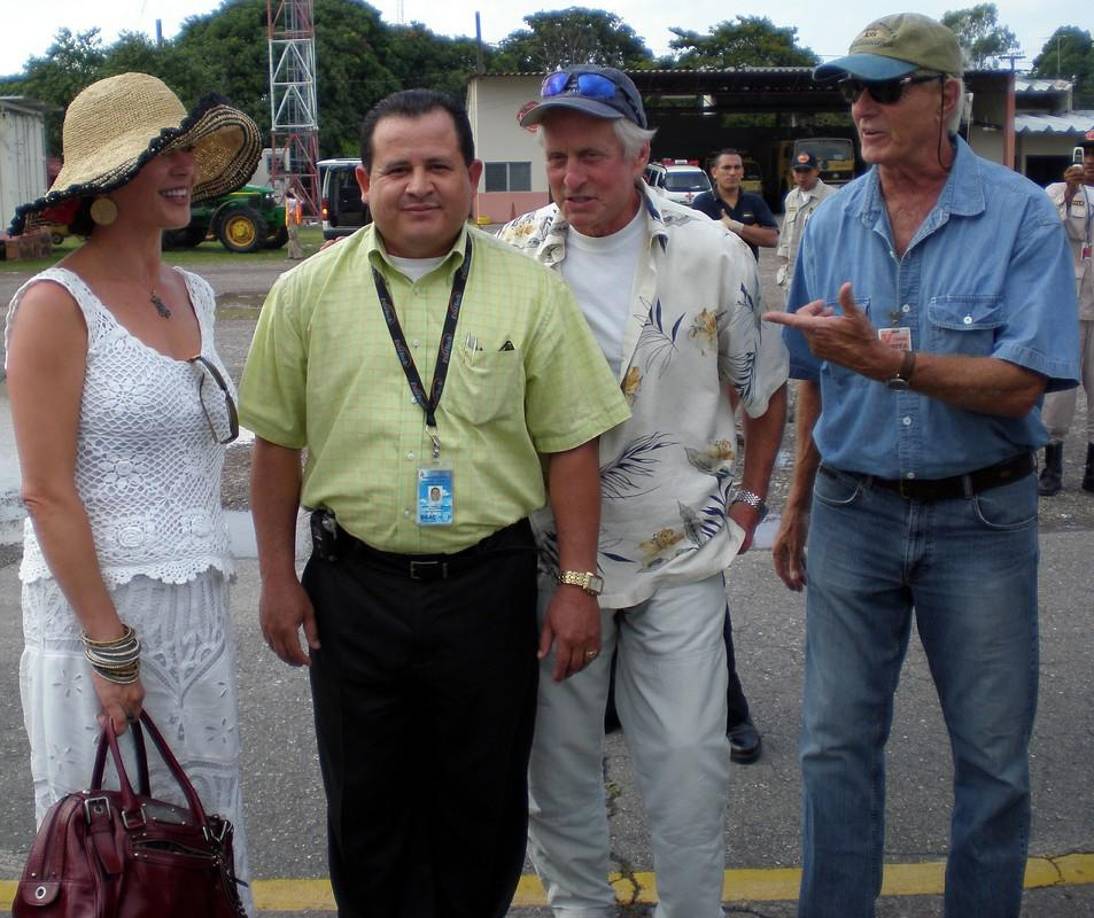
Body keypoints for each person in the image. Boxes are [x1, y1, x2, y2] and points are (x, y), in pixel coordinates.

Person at [238, 88, 630, 918]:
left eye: (438, 166)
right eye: (398, 168)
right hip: (354, 589)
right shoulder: (305, 294)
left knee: (480, 811)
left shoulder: (530, 291)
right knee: (368, 810)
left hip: (487, 588)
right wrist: (277, 578)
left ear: (473, 175)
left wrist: (579, 585)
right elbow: (275, 449)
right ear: (368, 181)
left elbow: (571, 445)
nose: (419, 185)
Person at [765, 15, 1079, 918]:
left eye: (885, 88)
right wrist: (798, 504)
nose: (861, 107)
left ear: (947, 97)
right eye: (853, 89)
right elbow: (816, 376)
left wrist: (896, 363)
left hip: (980, 519)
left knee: (991, 760)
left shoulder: (1020, 214)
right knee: (833, 749)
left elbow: (1023, 383)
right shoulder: (830, 221)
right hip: (854, 513)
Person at [499, 65, 788, 917]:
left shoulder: (714, 251)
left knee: (691, 763)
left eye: (590, 155)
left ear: (640, 156)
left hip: (678, 549)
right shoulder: (514, 254)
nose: (571, 177)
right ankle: (580, 908)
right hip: (552, 558)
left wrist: (748, 504)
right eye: (557, 158)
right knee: (556, 765)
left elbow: (764, 395)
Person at [4, 72, 261, 912]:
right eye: (160, 154)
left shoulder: (196, 289)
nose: (183, 167)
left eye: (185, 148)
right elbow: (45, 492)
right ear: (105, 184)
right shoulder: (53, 302)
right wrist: (110, 649)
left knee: (194, 842)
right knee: (108, 856)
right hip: (101, 621)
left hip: (193, 614)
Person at [1038, 149, 1094, 495]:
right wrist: (1071, 194)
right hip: (1067, 306)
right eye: (1088, 156)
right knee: (1060, 392)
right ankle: (1051, 468)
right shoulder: (1055, 192)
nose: (1090, 163)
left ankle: (1092, 473)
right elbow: (1046, 231)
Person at [692, 148, 779, 260]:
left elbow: (772, 239)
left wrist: (736, 226)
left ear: (742, 172)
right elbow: (695, 242)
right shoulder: (703, 203)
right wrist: (752, 232)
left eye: (737, 167)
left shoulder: (754, 201)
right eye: (726, 168)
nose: (732, 173)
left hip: (748, 274)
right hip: (715, 274)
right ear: (714, 172)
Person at [775, 150, 837, 296]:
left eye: (807, 171)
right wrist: (784, 264)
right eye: (798, 171)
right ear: (792, 172)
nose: (802, 176)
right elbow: (786, 233)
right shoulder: (791, 197)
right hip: (793, 275)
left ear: (816, 171)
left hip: (820, 274)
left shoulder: (832, 198)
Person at [284, 187, 304, 259]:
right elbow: (299, 201)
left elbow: (300, 202)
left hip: (292, 220)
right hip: (291, 220)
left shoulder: (290, 201)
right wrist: (293, 193)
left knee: (292, 238)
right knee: (294, 237)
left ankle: (291, 254)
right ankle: (297, 254)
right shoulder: (290, 201)